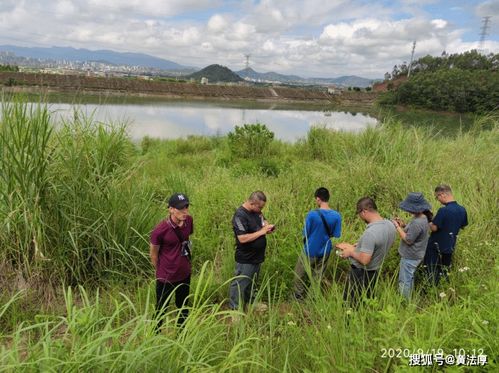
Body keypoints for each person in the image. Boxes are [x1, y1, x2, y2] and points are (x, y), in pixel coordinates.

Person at [336, 197, 396, 306]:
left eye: (359, 214)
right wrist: (358, 245)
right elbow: (379, 244)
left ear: (364, 211)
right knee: (367, 302)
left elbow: (364, 260)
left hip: (361, 274)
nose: (359, 217)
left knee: (350, 304)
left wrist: (350, 252)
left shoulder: (371, 233)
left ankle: (347, 323)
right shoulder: (390, 225)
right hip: (374, 272)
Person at [150, 193, 193, 331]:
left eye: (186, 207)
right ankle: (155, 335)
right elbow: (153, 254)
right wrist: (162, 269)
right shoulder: (160, 230)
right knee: (162, 307)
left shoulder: (189, 221)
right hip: (166, 276)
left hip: (184, 273)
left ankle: (182, 334)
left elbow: (187, 239)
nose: (185, 211)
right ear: (171, 209)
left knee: (184, 306)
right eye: (181, 209)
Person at [229, 191, 275, 311]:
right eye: (260, 207)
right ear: (251, 202)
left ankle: (251, 303)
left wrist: (267, 226)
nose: (261, 210)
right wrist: (262, 231)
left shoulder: (257, 211)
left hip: (257, 256)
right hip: (246, 258)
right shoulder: (239, 216)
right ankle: (234, 309)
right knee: (240, 284)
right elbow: (242, 238)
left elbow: (263, 221)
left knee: (253, 282)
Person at [293, 187, 342, 300]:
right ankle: (312, 299)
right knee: (318, 276)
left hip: (310, 249)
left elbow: (305, 232)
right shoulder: (336, 216)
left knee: (299, 274)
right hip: (325, 250)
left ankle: (298, 297)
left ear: (318, 199)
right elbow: (336, 234)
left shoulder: (312, 214)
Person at [424, 184, 468, 285]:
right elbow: (463, 226)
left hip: (435, 247)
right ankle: (444, 290)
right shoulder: (462, 209)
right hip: (450, 246)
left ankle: (432, 291)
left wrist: (429, 220)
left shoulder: (443, 210)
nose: (438, 200)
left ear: (442, 194)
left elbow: (434, 228)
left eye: (437, 197)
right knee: (445, 271)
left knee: (431, 271)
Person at [392, 192, 432, 299]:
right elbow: (414, 232)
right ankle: (409, 298)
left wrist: (396, 226)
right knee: (409, 278)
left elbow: (408, 239)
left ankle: (405, 302)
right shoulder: (423, 217)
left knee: (404, 281)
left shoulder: (417, 222)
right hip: (417, 254)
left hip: (411, 256)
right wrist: (403, 225)